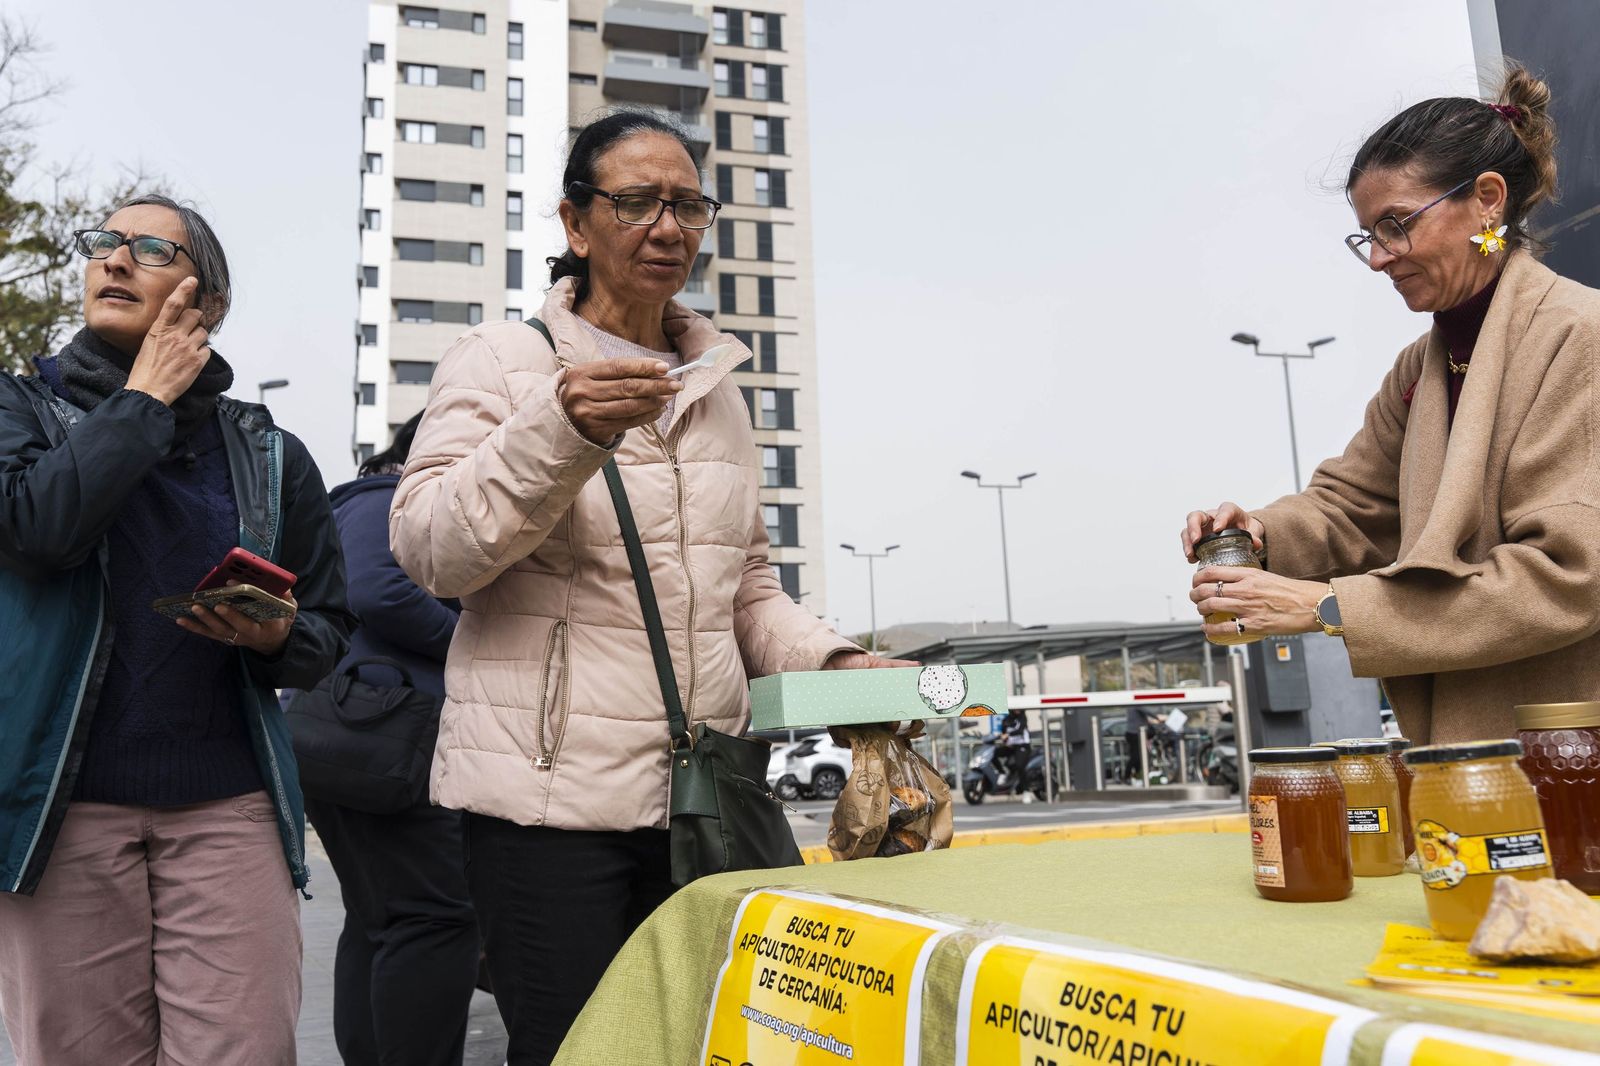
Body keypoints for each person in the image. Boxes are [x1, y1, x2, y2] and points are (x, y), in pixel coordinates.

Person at [389, 110, 908, 1065]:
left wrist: (840, 662)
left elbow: (746, 585)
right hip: (546, 810)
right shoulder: (504, 364)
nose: (667, 228)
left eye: (687, 205)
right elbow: (430, 551)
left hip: (702, 800)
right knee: (577, 1050)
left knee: (709, 1046)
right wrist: (560, 429)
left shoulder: (718, 385)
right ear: (576, 224)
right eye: (635, 203)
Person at [0, 195, 352, 1063]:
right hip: (60, 810)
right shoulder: (19, 410)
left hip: (226, 807)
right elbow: (40, 532)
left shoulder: (271, 453)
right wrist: (145, 396)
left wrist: (274, 637)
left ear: (209, 304)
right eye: (104, 243)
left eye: (150, 249)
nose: (115, 260)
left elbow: (330, 630)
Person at [1181, 65, 1600, 744]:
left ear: (1487, 199)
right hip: (1468, 759)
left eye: (1396, 226)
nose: (1378, 258)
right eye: (1367, 237)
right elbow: (1353, 509)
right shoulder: (1419, 369)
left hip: (1571, 761)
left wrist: (1328, 606)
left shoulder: (1580, 338)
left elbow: (1566, 580)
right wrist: (1261, 535)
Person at [304, 412, 479, 1066]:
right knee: (437, 918)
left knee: (381, 921)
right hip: (392, 741)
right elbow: (376, 590)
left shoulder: (368, 499)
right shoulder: (386, 500)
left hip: (361, 738)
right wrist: (474, 649)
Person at [995, 708, 1031, 785]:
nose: (1017, 710)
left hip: (1022, 746)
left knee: (1020, 766)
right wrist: (1004, 741)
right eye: (1015, 708)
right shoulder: (1006, 720)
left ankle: (1026, 790)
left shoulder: (1022, 718)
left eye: (1019, 708)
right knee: (993, 753)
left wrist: (1008, 735)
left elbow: (1020, 731)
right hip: (1011, 747)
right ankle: (1002, 772)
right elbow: (1003, 734)